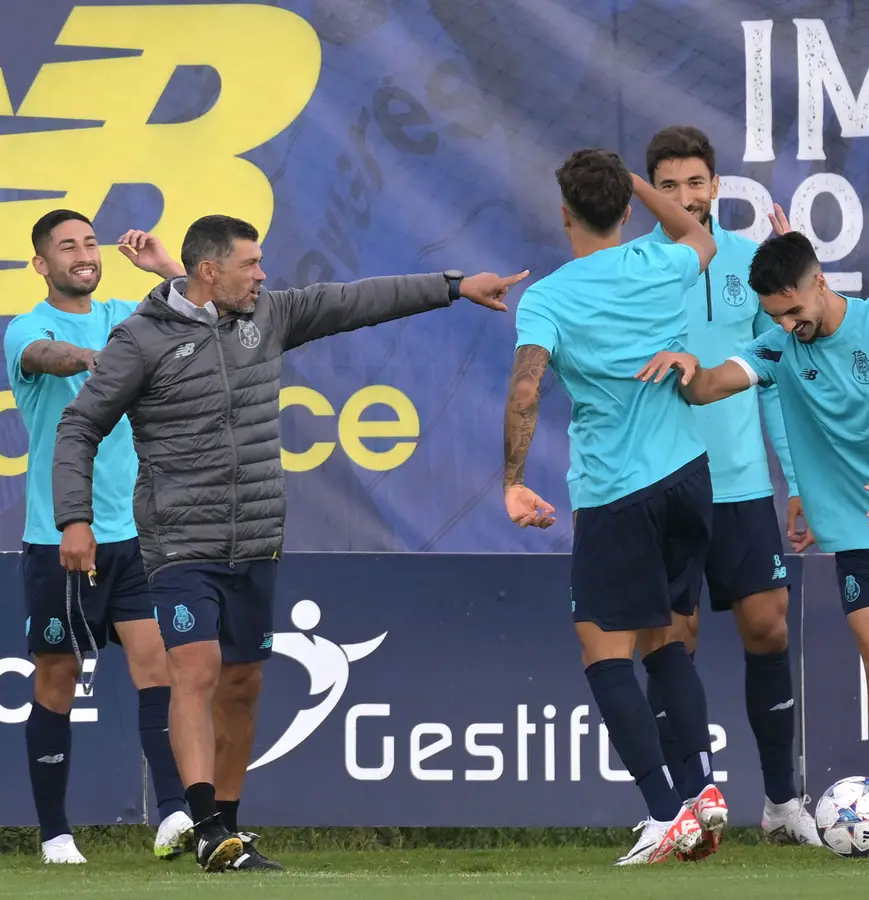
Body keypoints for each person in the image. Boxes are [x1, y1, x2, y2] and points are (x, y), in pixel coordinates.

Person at [52, 214, 523, 872]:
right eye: (252, 264)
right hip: (181, 541)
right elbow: (78, 427)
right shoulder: (140, 338)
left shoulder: (265, 316)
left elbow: (356, 300)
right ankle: (206, 826)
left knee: (241, 683)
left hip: (257, 539)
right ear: (210, 272)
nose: (264, 275)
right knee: (195, 672)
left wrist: (453, 285)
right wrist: (74, 518)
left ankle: (233, 827)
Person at [639, 230, 869, 859]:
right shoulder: (778, 347)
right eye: (775, 316)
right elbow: (714, 384)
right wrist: (690, 371)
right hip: (861, 538)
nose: (789, 325)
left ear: (820, 281)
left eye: (794, 311)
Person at [502, 148, 726, 865]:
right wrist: (632, 179)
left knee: (603, 649)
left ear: (564, 214)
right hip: (688, 476)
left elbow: (527, 390)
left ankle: (666, 814)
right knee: (665, 641)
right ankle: (702, 793)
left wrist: (512, 478)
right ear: (627, 208)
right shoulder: (661, 263)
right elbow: (700, 235)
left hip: (616, 490)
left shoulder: (547, 298)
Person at [634, 126, 816, 846]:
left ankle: (781, 802)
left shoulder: (748, 262)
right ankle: (690, 803)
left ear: (715, 187)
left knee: (767, 626)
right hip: (664, 483)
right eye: (669, 185)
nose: (685, 197)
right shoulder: (633, 267)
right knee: (671, 637)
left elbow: (773, 377)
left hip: (741, 487)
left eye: (696, 183)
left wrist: (793, 480)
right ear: (651, 191)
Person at [2, 210, 192, 865]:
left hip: (135, 537)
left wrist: (167, 268)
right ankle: (55, 834)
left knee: (158, 668)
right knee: (57, 681)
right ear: (41, 264)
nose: (83, 253)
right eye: (67, 246)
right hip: (60, 540)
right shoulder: (29, 327)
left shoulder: (126, 311)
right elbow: (43, 356)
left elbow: (206, 304)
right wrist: (92, 356)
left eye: (88, 242)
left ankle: (173, 816)